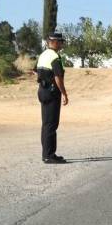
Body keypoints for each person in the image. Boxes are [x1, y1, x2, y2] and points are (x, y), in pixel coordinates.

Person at [36, 33, 69, 164]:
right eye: (60, 42)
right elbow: (58, 77)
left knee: (46, 124)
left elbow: (35, 70)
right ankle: (49, 155)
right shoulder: (55, 57)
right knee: (51, 125)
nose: (61, 44)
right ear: (53, 42)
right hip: (52, 92)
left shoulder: (43, 55)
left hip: (42, 91)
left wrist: (43, 79)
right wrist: (64, 93)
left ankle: (47, 153)